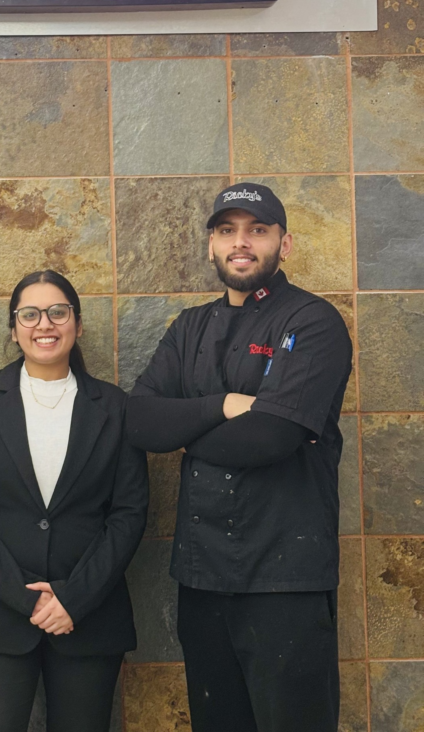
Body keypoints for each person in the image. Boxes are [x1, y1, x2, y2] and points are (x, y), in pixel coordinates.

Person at [126, 183, 353, 732]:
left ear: (285, 244)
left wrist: (183, 427)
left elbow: (270, 438)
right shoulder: (188, 328)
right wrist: (224, 405)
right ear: (211, 245)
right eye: (227, 230)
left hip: (286, 580)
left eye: (257, 230)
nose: (241, 242)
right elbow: (137, 420)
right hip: (202, 580)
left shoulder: (313, 322)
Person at [0, 269, 148, 732]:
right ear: (14, 329)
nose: (44, 324)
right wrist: (24, 597)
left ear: (77, 323)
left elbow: (128, 514)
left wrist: (74, 596)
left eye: (58, 312)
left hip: (89, 618)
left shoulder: (114, 406)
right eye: (29, 315)